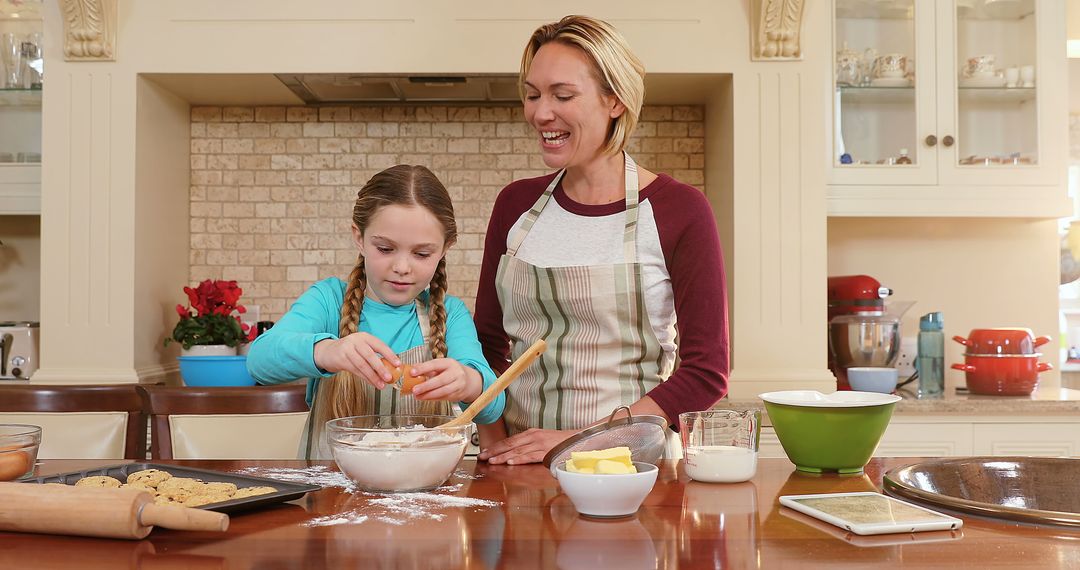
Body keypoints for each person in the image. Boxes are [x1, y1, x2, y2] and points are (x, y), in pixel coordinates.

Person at [473, 15, 729, 465]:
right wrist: (494, 444)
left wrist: (580, 440)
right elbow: (486, 346)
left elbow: (706, 374)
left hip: (631, 469)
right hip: (520, 465)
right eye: (532, 95)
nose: (539, 112)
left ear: (615, 101)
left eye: (562, 95)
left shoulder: (679, 210)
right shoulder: (515, 205)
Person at [248, 164, 504, 459]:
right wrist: (328, 351)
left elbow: (493, 405)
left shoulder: (450, 313)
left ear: (445, 248)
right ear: (359, 237)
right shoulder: (328, 300)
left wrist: (468, 381)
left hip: (422, 496)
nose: (402, 267)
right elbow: (260, 360)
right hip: (331, 496)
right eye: (385, 249)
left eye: (421, 254)